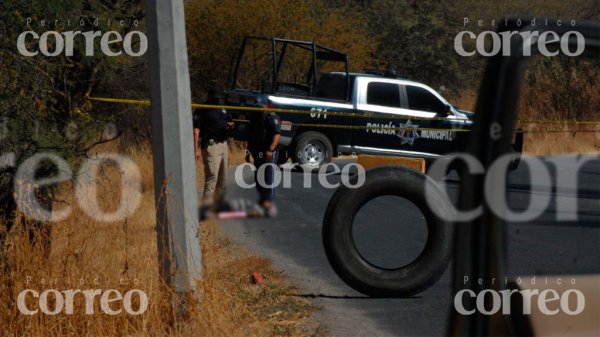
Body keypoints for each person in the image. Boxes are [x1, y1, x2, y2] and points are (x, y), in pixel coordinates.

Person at [193, 87, 233, 210]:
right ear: (209, 96)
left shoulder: (223, 109)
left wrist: (230, 125)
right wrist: (196, 149)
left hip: (223, 145)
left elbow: (231, 122)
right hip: (211, 146)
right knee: (212, 178)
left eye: (218, 97)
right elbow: (196, 130)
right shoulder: (202, 110)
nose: (216, 99)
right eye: (214, 97)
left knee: (223, 180)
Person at [247, 109, 281, 216]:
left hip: (268, 152)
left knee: (268, 178)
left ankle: (267, 205)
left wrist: (271, 150)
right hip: (257, 151)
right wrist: (247, 152)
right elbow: (250, 136)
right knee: (258, 179)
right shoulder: (254, 117)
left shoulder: (271, 117)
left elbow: (277, 134)